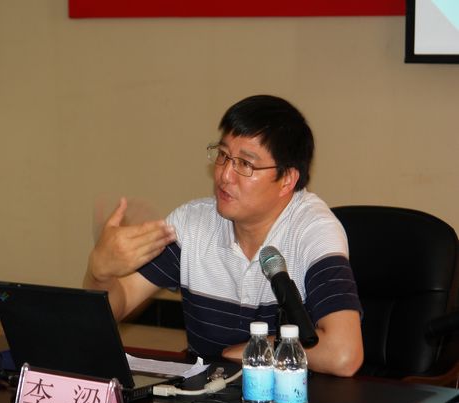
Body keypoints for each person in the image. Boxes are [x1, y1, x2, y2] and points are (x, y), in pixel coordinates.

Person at [84, 95, 364, 377]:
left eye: (245, 164)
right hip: (205, 396)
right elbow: (113, 309)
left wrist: (259, 348)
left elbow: (344, 355)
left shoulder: (313, 230)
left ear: (287, 180)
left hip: (292, 397)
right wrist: (100, 273)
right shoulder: (192, 224)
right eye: (223, 155)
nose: (225, 175)